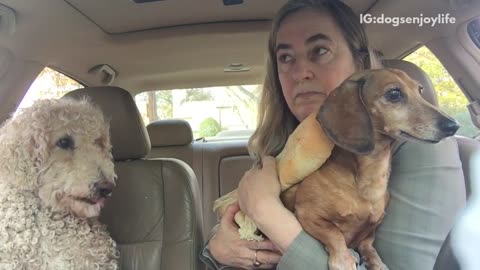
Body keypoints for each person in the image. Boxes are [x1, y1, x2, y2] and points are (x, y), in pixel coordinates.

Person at [200, 0, 466, 269]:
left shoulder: (420, 145)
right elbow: (233, 218)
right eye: (286, 58)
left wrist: (266, 211)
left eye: (320, 50)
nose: (301, 73)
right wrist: (216, 248)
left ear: (360, 62)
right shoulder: (287, 147)